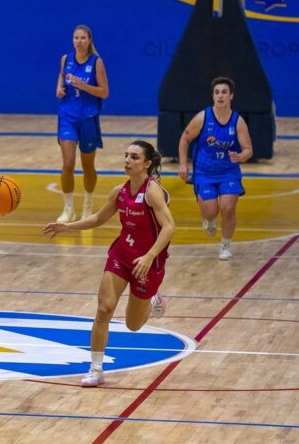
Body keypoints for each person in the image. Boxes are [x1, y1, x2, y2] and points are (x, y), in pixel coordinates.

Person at [43, 140, 174, 387]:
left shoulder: (153, 191)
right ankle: (95, 369)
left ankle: (154, 299)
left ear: (147, 163)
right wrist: (66, 227)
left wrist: (148, 256)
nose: (127, 161)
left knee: (133, 325)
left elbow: (169, 227)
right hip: (121, 255)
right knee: (104, 309)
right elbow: (98, 218)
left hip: (148, 262)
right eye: (126, 156)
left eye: (134, 157)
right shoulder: (120, 191)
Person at [178, 77, 253, 260]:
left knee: (228, 208)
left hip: (228, 172)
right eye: (217, 92)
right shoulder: (203, 118)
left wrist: (241, 156)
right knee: (210, 211)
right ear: (213, 96)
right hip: (204, 172)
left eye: (224, 92)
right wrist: (182, 163)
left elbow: (248, 150)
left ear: (231, 96)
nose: (220, 96)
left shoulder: (238, 121)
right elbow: (184, 139)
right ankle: (209, 219)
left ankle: (225, 245)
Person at [55, 25, 110, 222]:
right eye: (76, 37)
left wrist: (84, 86)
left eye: (83, 38)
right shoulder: (65, 59)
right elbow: (61, 78)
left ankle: (88, 204)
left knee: (88, 166)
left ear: (89, 41)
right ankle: (68, 209)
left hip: (88, 118)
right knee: (68, 164)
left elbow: (104, 92)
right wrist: (59, 89)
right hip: (67, 117)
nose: (79, 41)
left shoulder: (97, 62)